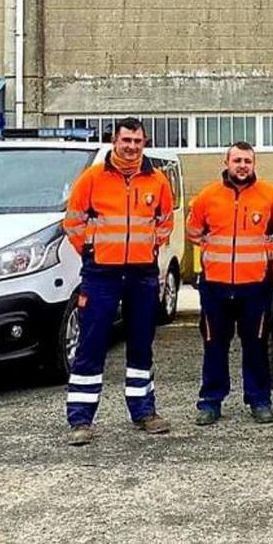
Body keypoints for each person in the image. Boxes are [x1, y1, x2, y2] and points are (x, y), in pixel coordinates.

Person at [62, 118, 175, 446]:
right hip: (101, 274)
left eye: (138, 141)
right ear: (115, 140)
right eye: (126, 140)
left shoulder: (157, 181)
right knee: (92, 345)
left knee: (141, 345)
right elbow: (73, 221)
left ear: (145, 142)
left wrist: (153, 244)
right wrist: (91, 250)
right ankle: (81, 419)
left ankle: (144, 412)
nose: (132, 146)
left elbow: (165, 220)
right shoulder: (92, 178)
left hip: (142, 274)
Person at [186, 141, 273, 425]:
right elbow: (193, 231)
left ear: (254, 164)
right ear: (226, 162)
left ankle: (259, 400)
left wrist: (266, 254)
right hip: (215, 286)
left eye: (247, 161)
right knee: (214, 344)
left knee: (255, 345)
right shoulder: (207, 197)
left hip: (255, 287)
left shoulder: (271, 196)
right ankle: (210, 402)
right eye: (237, 160)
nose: (242, 166)